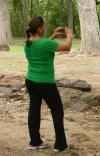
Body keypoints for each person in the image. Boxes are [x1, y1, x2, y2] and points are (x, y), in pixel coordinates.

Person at [24, 16, 73, 152]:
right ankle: (60, 144)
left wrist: (54, 35)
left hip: (31, 81)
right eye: (43, 26)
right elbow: (67, 47)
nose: (44, 28)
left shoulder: (28, 44)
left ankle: (34, 142)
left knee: (34, 109)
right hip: (45, 83)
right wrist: (69, 35)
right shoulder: (45, 44)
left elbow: (43, 46)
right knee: (57, 110)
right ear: (39, 29)